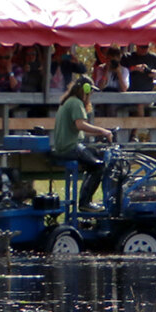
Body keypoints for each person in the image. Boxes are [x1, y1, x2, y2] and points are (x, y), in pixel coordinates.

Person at [51, 75, 114, 212]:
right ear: (85, 89)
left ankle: (87, 201)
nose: (91, 94)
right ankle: (85, 203)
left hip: (67, 146)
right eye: (90, 91)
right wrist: (103, 131)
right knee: (99, 166)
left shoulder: (68, 101)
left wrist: (99, 133)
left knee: (97, 154)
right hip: (70, 148)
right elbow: (80, 125)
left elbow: (79, 129)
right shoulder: (76, 103)